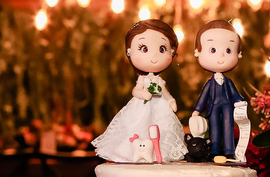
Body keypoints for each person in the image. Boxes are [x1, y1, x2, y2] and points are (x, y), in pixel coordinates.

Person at [90, 19, 187, 164]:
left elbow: (165, 92)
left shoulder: (159, 81)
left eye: (162, 49)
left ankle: (159, 153)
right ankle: (136, 152)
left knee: (162, 129)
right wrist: (142, 94)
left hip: (160, 108)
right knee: (137, 125)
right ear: (129, 51)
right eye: (144, 49)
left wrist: (171, 100)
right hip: (141, 107)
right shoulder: (142, 79)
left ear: (172, 52)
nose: (154, 57)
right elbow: (135, 91)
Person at [189, 19, 249, 159]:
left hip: (227, 107)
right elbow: (204, 96)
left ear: (238, 53)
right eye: (213, 50)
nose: (221, 56)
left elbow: (234, 93)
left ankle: (229, 149)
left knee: (228, 126)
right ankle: (214, 149)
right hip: (213, 108)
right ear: (198, 52)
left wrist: (239, 101)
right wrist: (198, 110)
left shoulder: (228, 82)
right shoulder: (209, 83)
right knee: (214, 127)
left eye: (228, 50)